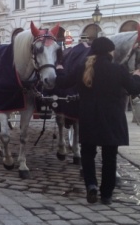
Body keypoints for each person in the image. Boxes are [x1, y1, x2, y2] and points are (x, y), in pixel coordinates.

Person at [56, 37, 140, 205]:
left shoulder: (82, 68)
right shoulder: (119, 69)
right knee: (110, 158)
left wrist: (59, 69)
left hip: (89, 118)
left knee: (88, 155)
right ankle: (106, 194)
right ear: (110, 51)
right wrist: (137, 76)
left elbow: (63, 83)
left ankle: (91, 185)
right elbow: (134, 90)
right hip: (112, 119)